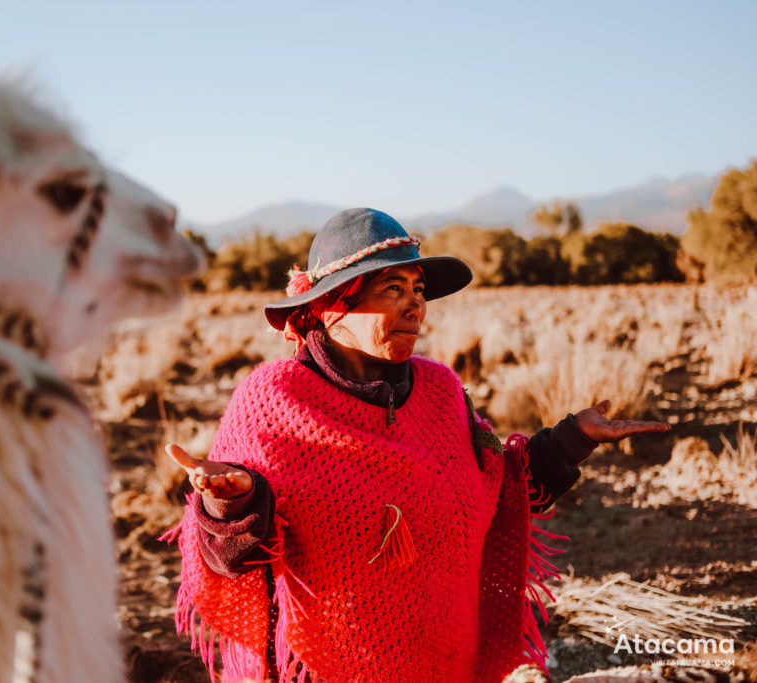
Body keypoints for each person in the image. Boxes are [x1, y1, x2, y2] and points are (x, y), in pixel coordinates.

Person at [164, 208, 669, 683]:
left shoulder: (439, 391)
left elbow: (500, 483)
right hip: (320, 666)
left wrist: (571, 439)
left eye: (418, 288)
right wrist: (229, 503)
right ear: (333, 305)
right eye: (393, 288)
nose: (416, 304)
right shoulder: (272, 399)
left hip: (441, 657)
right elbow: (228, 560)